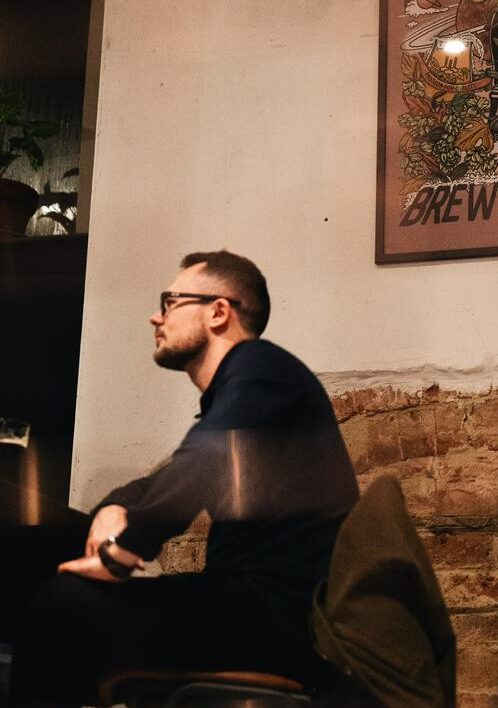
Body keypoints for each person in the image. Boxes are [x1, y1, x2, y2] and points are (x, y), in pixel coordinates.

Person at [5, 250, 359, 707]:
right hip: (253, 614)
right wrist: (116, 505)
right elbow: (183, 466)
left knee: (62, 603)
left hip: (269, 623)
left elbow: (200, 461)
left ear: (218, 311)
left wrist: (125, 548)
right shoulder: (248, 388)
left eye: (170, 301)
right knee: (65, 608)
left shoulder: (260, 368)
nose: (156, 317)